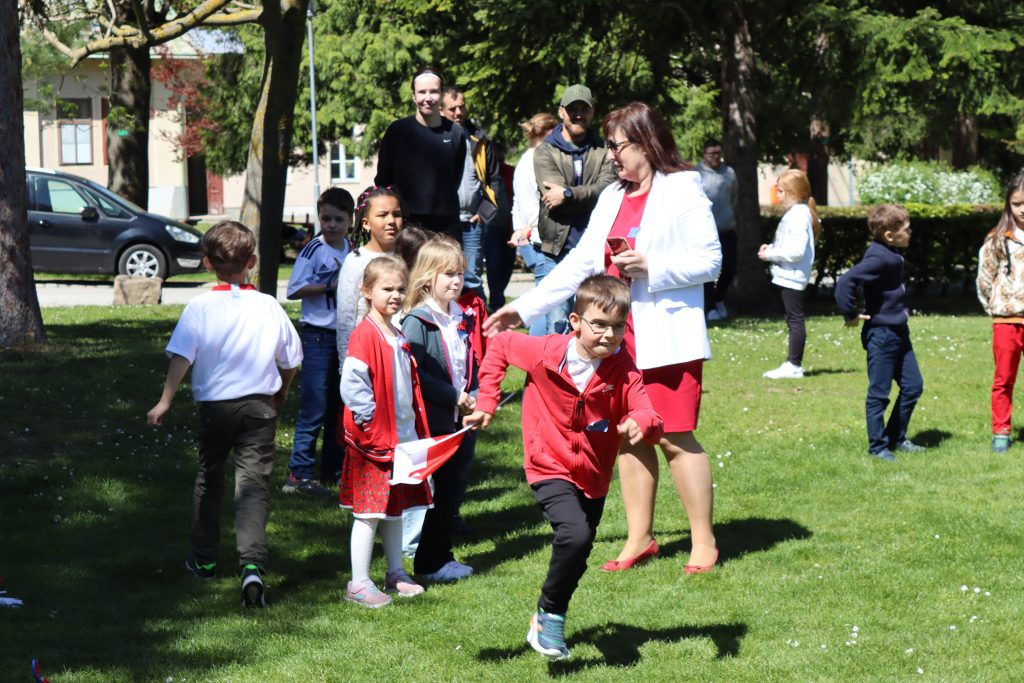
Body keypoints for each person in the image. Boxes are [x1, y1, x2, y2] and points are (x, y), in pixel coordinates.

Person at [486, 101, 722, 574]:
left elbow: (710, 260)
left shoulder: (682, 187)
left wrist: (652, 267)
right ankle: (639, 538)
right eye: (610, 147)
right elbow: (580, 263)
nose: (611, 155)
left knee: (673, 436)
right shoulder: (613, 195)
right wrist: (524, 308)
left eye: (617, 146)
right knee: (629, 436)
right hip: (619, 340)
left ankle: (704, 542)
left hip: (667, 339)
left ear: (646, 143)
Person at [465, 275, 664, 660]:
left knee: (580, 546)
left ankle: (550, 614)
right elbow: (501, 344)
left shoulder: (622, 367)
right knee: (574, 535)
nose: (609, 335)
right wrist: (487, 400)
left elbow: (647, 410)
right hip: (547, 462)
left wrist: (642, 423)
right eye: (599, 324)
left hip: (593, 473)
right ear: (575, 321)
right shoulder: (545, 352)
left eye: (618, 327)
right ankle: (550, 615)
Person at [146, 221, 303, 608]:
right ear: (252, 262)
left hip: (215, 408)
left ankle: (203, 560)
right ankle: (252, 566)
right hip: (260, 407)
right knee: (253, 486)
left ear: (207, 263)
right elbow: (290, 358)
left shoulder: (200, 307)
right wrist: (283, 388)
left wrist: (165, 400)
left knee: (209, 480)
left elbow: (182, 356)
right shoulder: (267, 305)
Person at [340, 255, 432, 607]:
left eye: (400, 289)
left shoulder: (396, 331)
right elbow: (353, 382)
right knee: (369, 512)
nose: (395, 295)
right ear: (366, 291)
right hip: (374, 441)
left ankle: (395, 572)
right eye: (387, 289)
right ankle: (359, 582)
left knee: (395, 507)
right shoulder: (365, 334)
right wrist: (367, 419)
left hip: (400, 438)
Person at [401, 237, 478, 582]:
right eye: (448, 274)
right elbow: (416, 372)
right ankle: (430, 562)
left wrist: (474, 394)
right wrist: (453, 396)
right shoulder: (419, 320)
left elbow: (469, 362)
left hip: (462, 417)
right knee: (439, 489)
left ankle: (440, 555)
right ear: (427, 276)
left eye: (459, 273)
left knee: (453, 488)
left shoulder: (459, 315)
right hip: (436, 419)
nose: (456, 281)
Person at [835, 204, 925, 462]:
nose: (910, 233)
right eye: (906, 229)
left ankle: (896, 437)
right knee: (879, 393)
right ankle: (877, 447)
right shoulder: (879, 258)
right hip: (882, 335)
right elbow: (846, 282)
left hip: (899, 331)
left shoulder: (890, 252)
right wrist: (851, 314)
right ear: (889, 235)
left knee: (913, 386)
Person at [282, 188, 354, 497]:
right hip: (317, 336)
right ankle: (298, 474)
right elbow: (293, 289)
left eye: (339, 219)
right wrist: (328, 287)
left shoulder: (352, 250)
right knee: (314, 406)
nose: (332, 225)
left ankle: (334, 470)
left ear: (350, 220)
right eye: (326, 219)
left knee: (340, 405)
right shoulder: (313, 249)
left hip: (345, 335)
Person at [532, 84, 618, 333]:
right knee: (557, 327)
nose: (578, 114)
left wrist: (568, 194)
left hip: (595, 252)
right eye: (572, 109)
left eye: (584, 109)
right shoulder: (545, 152)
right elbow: (553, 198)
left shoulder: (605, 150)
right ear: (561, 112)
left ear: (593, 112)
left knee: (597, 324)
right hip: (557, 251)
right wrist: (587, 196)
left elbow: (607, 191)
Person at [374, 68, 466, 239]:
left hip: (446, 225)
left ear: (442, 95)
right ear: (413, 96)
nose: (428, 98)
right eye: (422, 92)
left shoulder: (455, 132)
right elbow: (383, 180)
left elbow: (455, 177)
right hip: (406, 223)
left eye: (434, 92)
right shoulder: (397, 131)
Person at [441, 86, 505, 305]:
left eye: (461, 107)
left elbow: (494, 178)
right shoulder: (435, 137)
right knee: (443, 275)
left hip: (472, 221)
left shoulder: (478, 138)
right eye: (452, 109)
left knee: (471, 277)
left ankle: (480, 321)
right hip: (444, 221)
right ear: (441, 110)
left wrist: (485, 211)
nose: (458, 112)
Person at [976, 174, 1024, 452]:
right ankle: (1001, 432)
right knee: (1004, 379)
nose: (1022, 209)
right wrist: (996, 305)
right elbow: (985, 278)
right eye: (1017, 204)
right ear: (1008, 204)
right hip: (1007, 321)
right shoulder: (996, 239)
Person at [758, 169, 820, 379]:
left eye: (781, 191)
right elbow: (790, 244)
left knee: (795, 320)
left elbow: (796, 251)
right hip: (790, 274)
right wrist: (771, 249)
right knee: (793, 319)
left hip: (792, 275)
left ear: (794, 193)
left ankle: (794, 365)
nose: (778, 196)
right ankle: (793, 363)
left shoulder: (798, 216)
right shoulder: (798, 213)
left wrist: (770, 255)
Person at [335, 186, 404, 362]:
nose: (391, 221)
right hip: (369, 353)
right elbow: (346, 318)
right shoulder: (355, 261)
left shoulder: (408, 256)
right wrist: (346, 364)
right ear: (366, 223)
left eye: (396, 214)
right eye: (382, 215)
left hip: (403, 352)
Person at [509, 112, 560, 335]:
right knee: (546, 300)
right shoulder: (540, 161)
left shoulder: (524, 160)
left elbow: (517, 202)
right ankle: (538, 348)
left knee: (542, 295)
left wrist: (518, 229)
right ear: (548, 132)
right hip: (539, 235)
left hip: (528, 234)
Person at [697, 139, 739, 321]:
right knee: (706, 271)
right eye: (711, 154)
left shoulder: (729, 173)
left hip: (726, 229)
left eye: (718, 153)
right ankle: (710, 307)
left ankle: (719, 298)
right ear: (704, 155)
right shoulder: (695, 174)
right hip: (704, 232)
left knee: (730, 267)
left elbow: (734, 197)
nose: (716, 157)